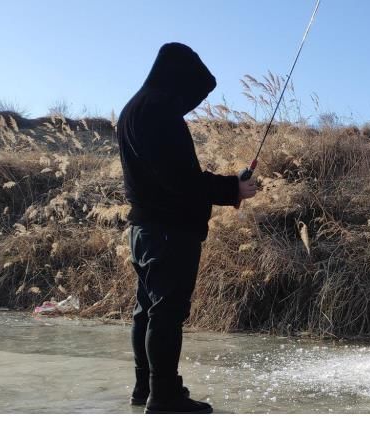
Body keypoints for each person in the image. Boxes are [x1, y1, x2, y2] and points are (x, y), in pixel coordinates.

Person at [118, 42, 257, 413]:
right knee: (165, 313)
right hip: (167, 232)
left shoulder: (134, 108)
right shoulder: (158, 110)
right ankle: (163, 396)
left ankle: (144, 388)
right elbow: (180, 179)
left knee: (147, 311)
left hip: (144, 231)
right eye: (191, 91)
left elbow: (169, 176)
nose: (191, 102)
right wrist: (232, 188)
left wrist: (228, 187)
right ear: (178, 78)